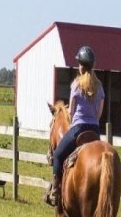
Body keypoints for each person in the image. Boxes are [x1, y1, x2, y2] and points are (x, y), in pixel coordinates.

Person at [44, 45, 105, 207]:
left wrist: (76, 119)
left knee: (57, 155)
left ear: (81, 66)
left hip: (78, 129)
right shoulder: (99, 86)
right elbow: (99, 113)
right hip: (95, 132)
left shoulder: (76, 85)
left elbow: (70, 112)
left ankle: (56, 189)